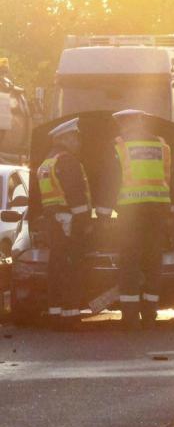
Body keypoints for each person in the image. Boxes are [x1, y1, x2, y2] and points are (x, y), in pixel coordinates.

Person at [109, 110, 174, 329]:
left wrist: (101, 214)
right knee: (153, 263)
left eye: (123, 124)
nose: (122, 129)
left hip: (130, 215)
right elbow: (168, 178)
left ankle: (129, 317)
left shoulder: (120, 147)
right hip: (156, 213)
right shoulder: (161, 146)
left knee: (129, 264)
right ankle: (149, 314)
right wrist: (169, 210)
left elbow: (111, 180)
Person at [36, 118, 92, 329]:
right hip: (69, 222)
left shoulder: (46, 162)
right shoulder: (67, 160)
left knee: (56, 268)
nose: (78, 142)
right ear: (65, 138)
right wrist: (85, 222)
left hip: (54, 221)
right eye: (75, 137)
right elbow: (76, 194)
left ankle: (55, 314)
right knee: (71, 269)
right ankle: (71, 317)